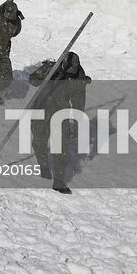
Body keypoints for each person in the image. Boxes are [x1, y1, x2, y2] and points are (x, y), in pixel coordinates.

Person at [28, 52, 91, 194]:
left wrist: (76, 121)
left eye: (72, 72)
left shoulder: (78, 78)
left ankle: (59, 180)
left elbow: (79, 101)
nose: (70, 74)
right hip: (41, 107)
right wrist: (47, 77)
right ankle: (43, 165)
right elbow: (33, 80)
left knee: (61, 147)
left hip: (61, 112)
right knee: (39, 141)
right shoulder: (51, 67)